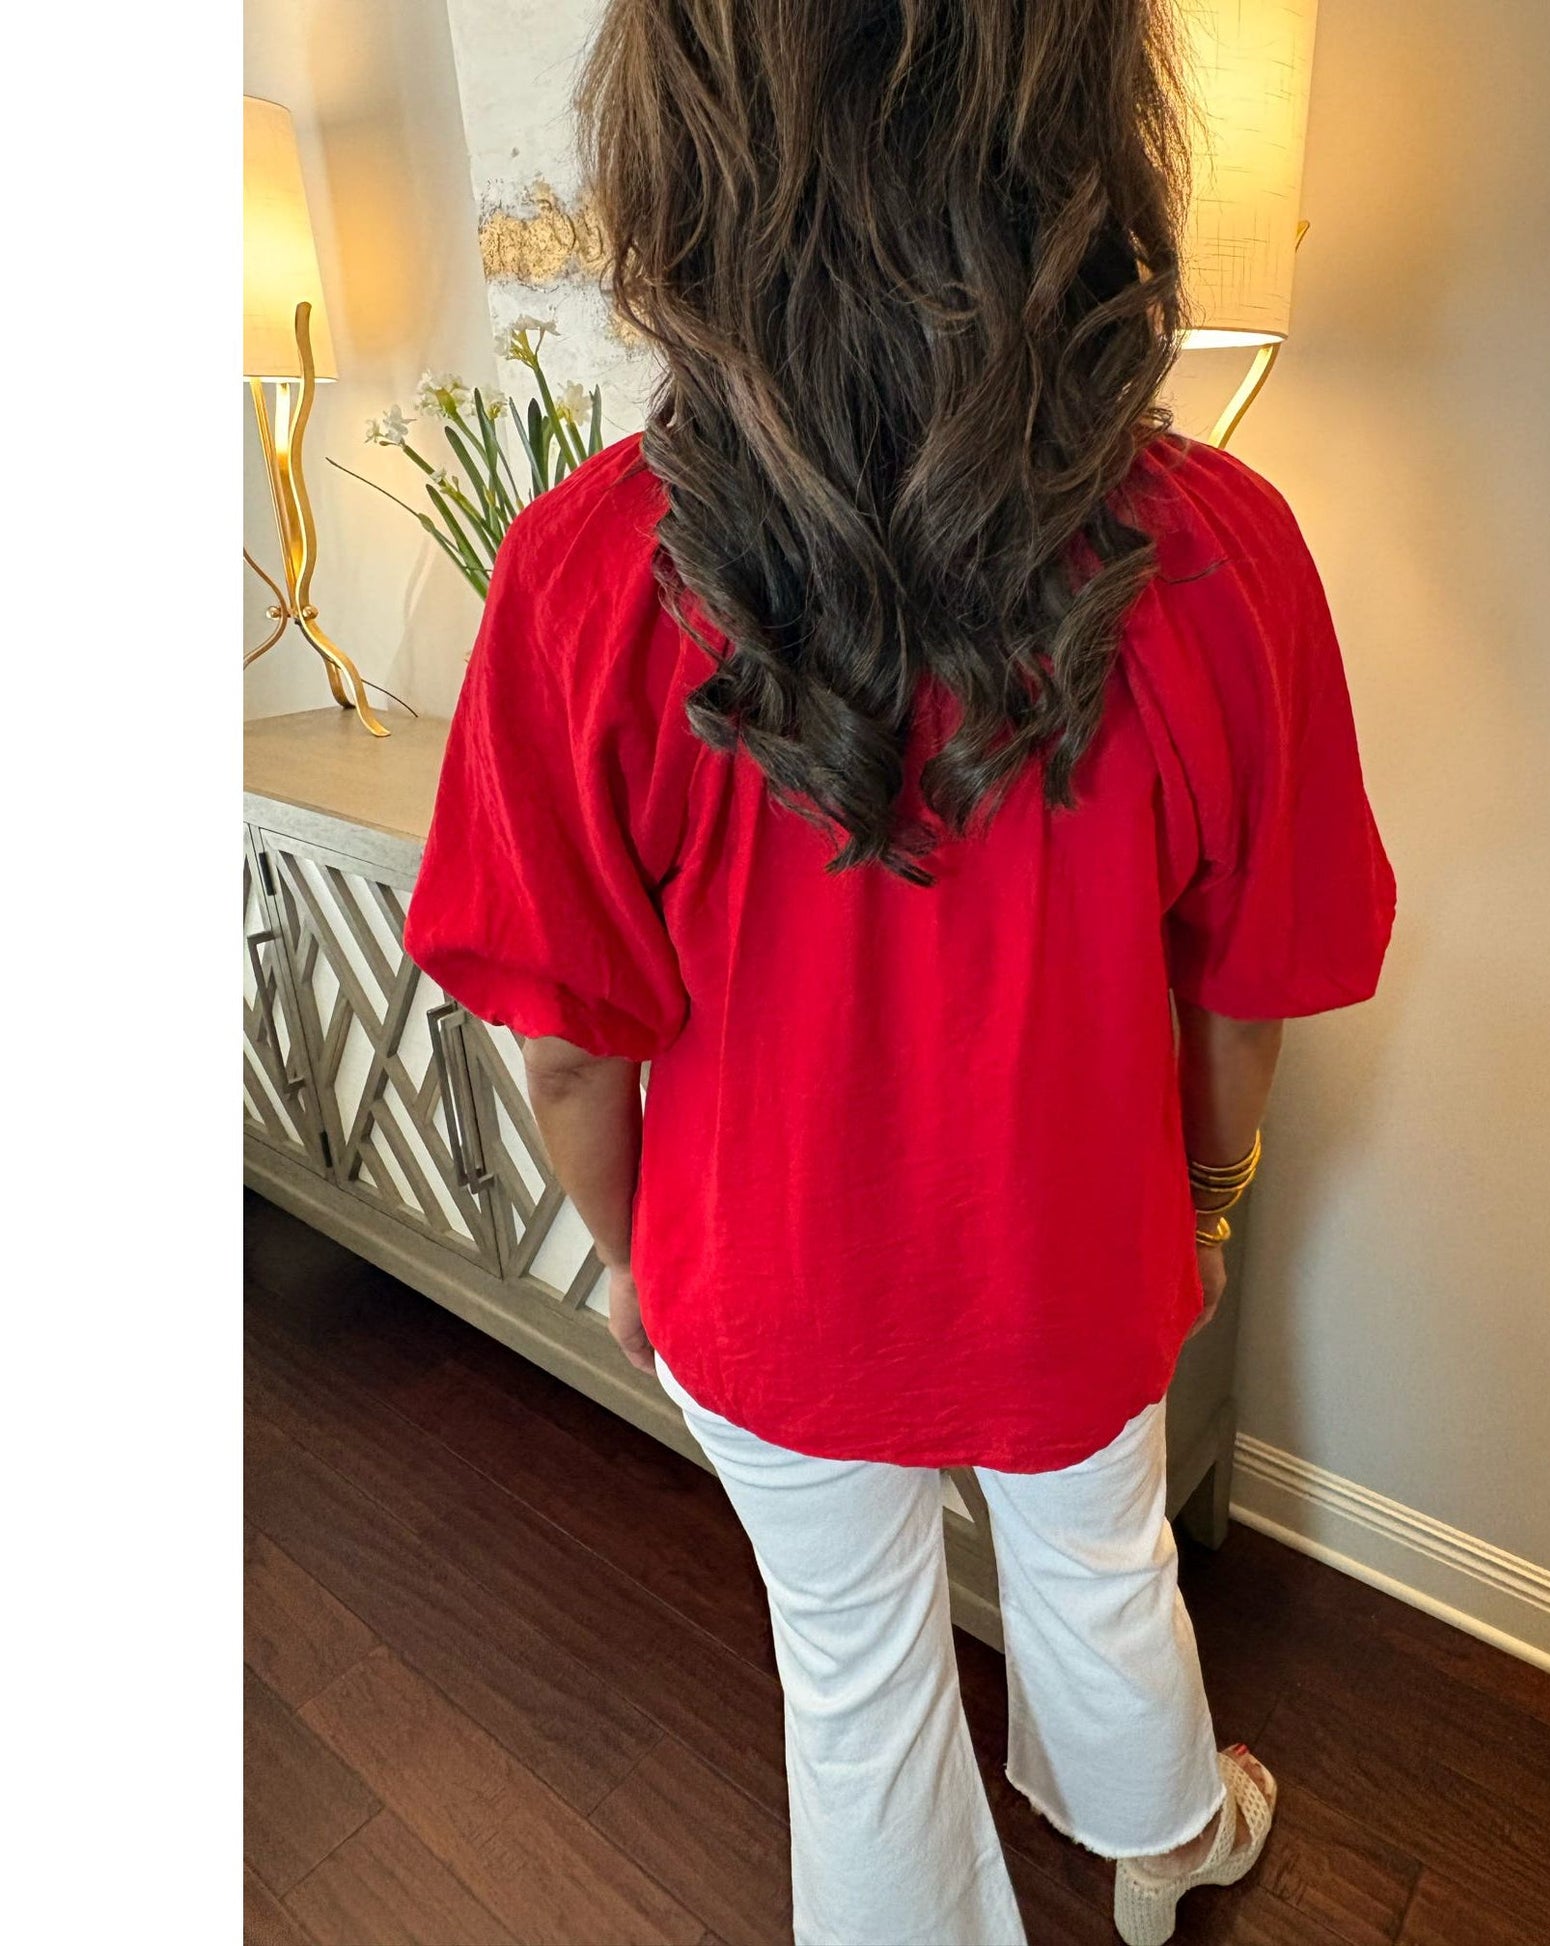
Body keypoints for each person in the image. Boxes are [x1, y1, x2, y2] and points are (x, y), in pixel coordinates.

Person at [403, 2, 1395, 1939]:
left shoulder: (580, 575)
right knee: (1103, 1563)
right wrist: (1200, 1208)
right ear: (1082, 145)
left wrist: (631, 1255)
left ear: (681, 164)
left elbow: (568, 1065)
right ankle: (1165, 1839)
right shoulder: (1229, 559)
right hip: (1072, 1258)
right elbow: (1241, 1003)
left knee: (851, 1674)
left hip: (758, 1289)